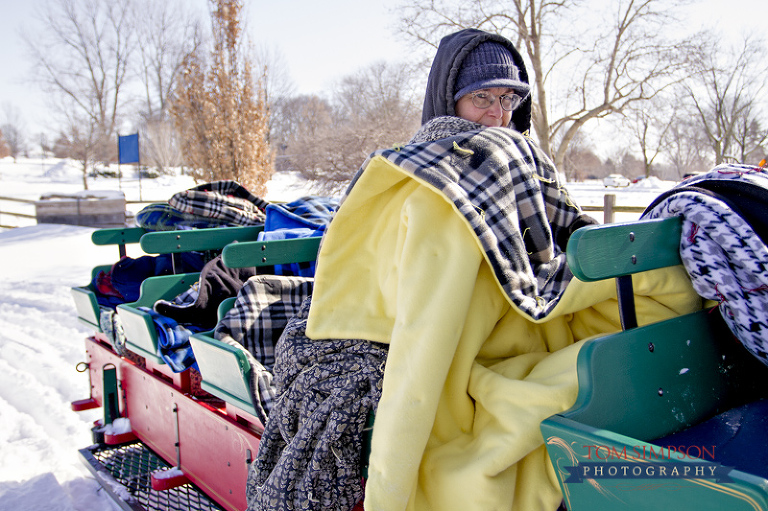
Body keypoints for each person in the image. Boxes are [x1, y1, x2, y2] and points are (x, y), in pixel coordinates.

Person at [247, 28, 700, 511]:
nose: (497, 114)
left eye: (508, 99)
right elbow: (425, 316)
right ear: (448, 99)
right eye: (481, 97)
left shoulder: (519, 162)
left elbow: (562, 239)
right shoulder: (428, 182)